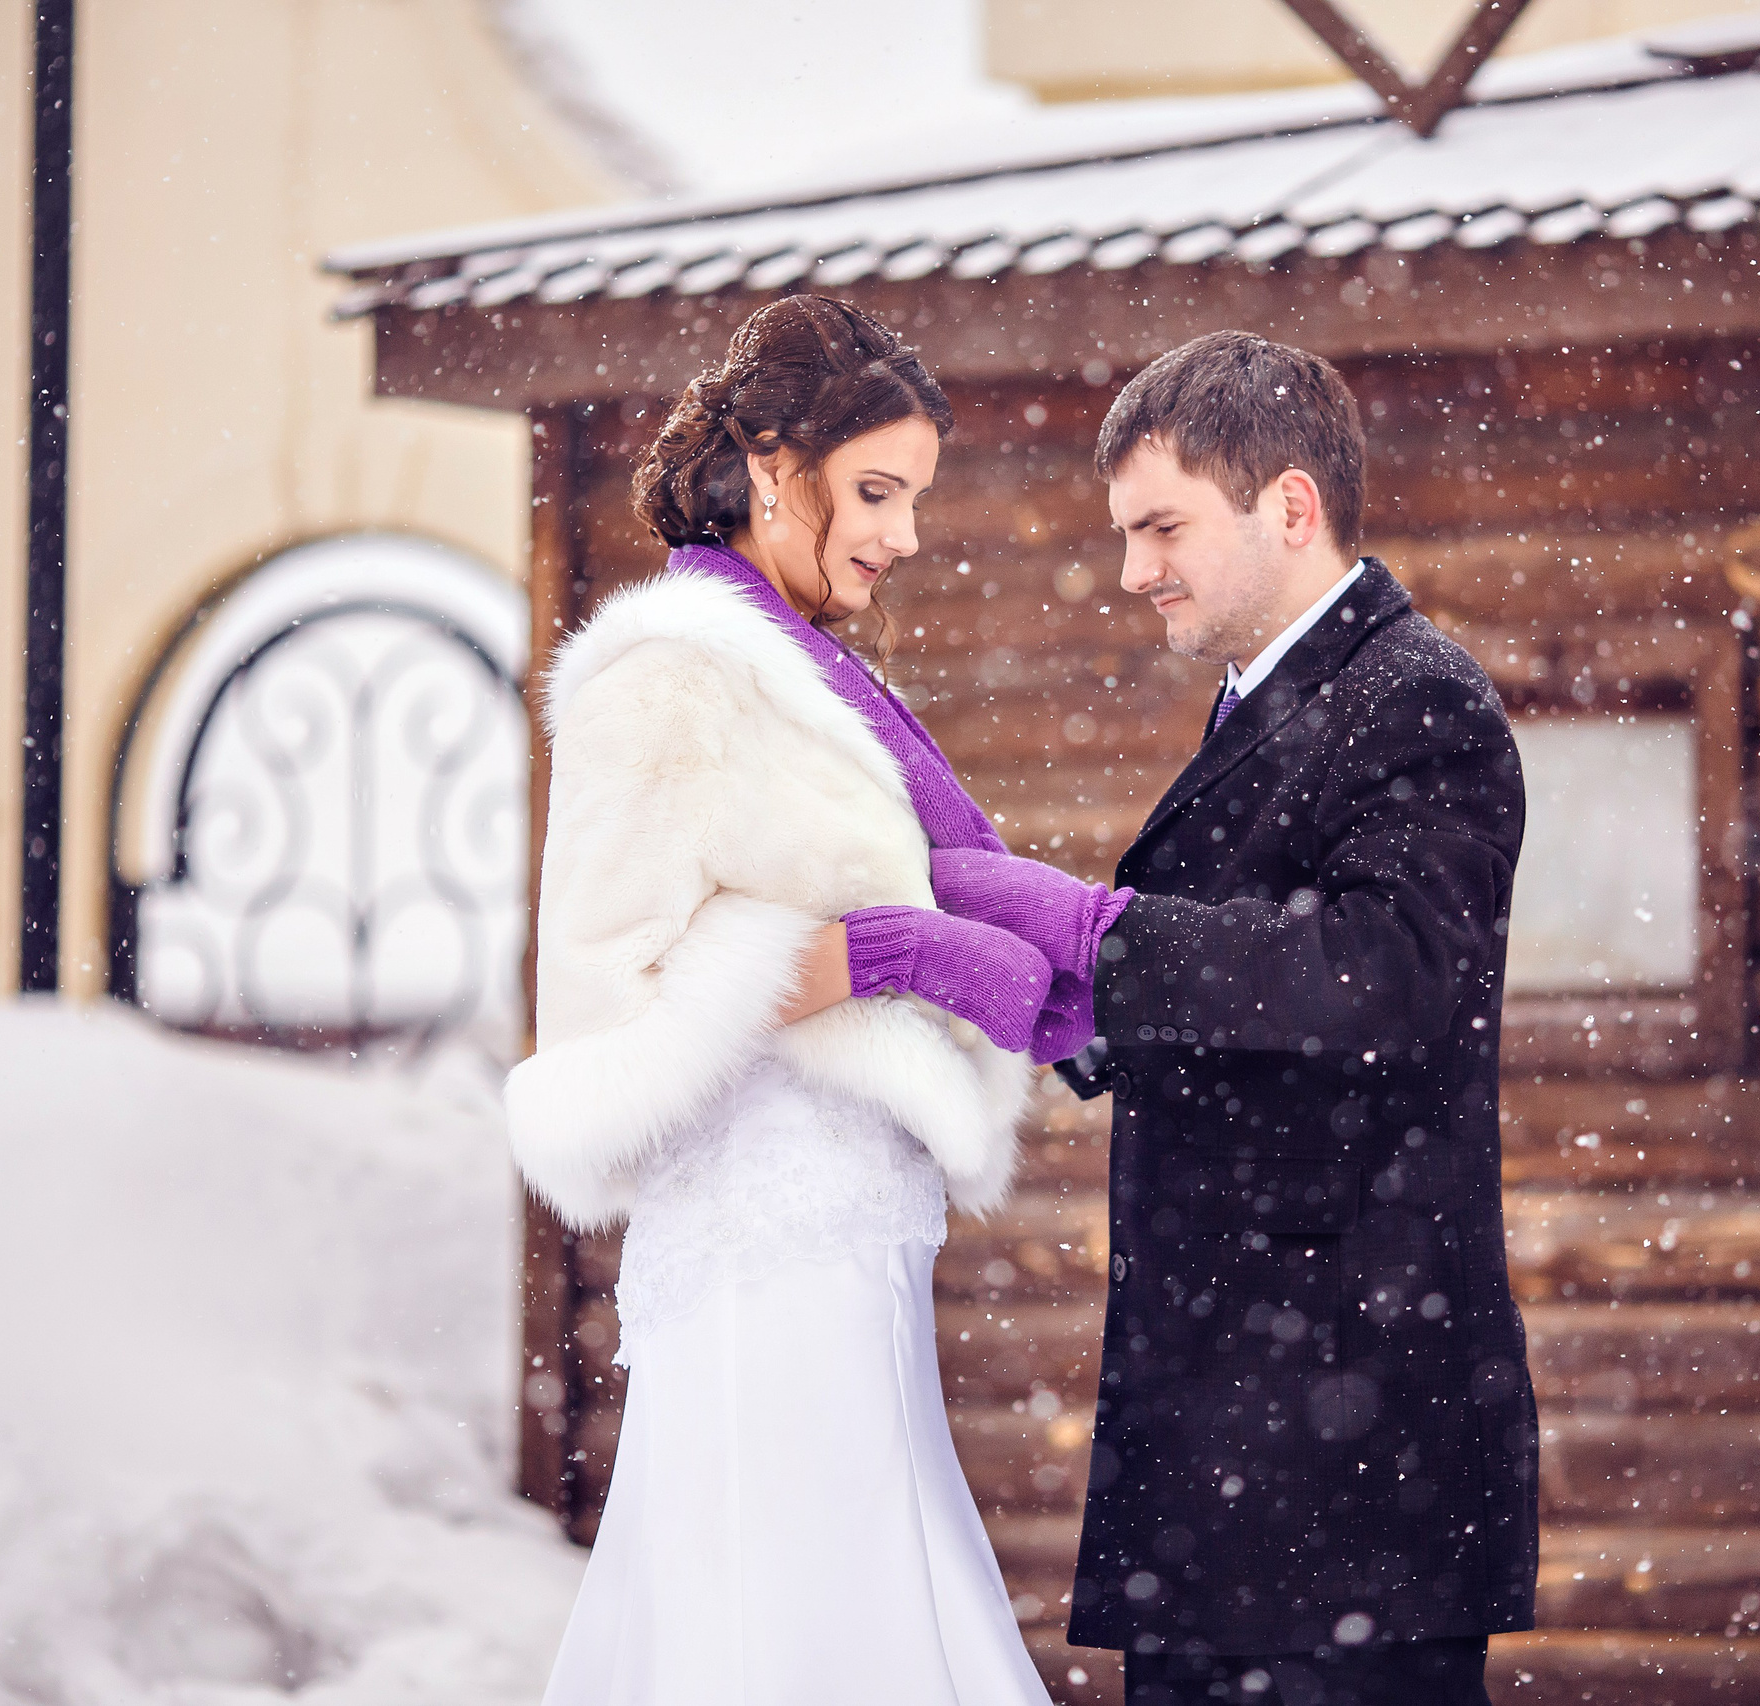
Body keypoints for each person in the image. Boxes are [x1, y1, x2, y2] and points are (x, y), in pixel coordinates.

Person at [923, 332, 1537, 1705]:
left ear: (1292, 507)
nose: (1135, 568)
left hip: (1344, 1457)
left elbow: (1387, 976)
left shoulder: (1416, 696)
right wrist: (1044, 1000)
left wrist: (1101, 934)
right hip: (1249, 1454)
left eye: (1162, 527)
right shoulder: (1271, 699)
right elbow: (1254, 1001)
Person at [512, 295, 1083, 1705]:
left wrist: (1077, 968)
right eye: (877, 491)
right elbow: (604, 1016)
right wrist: (885, 957)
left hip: (854, 1238)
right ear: (773, 468)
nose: (900, 535)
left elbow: (954, 877)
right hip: (761, 1247)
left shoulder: (821, 671)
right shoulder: (665, 681)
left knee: (855, 1618)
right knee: (793, 1634)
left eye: (915, 499)